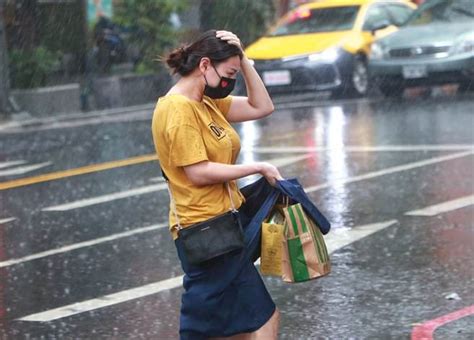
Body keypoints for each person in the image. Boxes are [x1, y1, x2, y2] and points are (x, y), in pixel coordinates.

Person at [151, 30, 283, 339]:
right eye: (229, 74)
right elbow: (197, 172)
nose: (230, 82)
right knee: (262, 319)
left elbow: (261, 106)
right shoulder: (178, 110)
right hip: (205, 232)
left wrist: (244, 60)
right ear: (205, 65)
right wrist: (257, 167)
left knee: (230, 328)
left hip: (224, 226)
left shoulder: (207, 103)